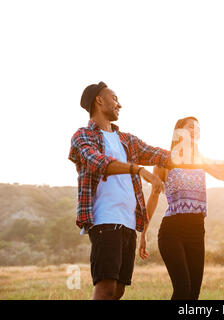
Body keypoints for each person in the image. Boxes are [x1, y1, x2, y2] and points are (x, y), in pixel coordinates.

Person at [68, 82, 197, 300]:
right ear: (99, 100)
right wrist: (138, 170)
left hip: (128, 222)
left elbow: (160, 155)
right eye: (114, 98)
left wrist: (210, 163)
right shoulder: (83, 136)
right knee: (105, 288)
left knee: (118, 291)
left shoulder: (126, 140)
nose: (120, 104)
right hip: (104, 220)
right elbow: (98, 162)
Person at [139, 116, 224, 300]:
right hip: (172, 230)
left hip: (196, 230)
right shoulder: (165, 160)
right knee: (183, 291)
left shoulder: (202, 161)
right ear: (179, 131)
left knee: (194, 294)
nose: (195, 130)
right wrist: (143, 233)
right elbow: (153, 197)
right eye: (190, 127)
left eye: (198, 128)